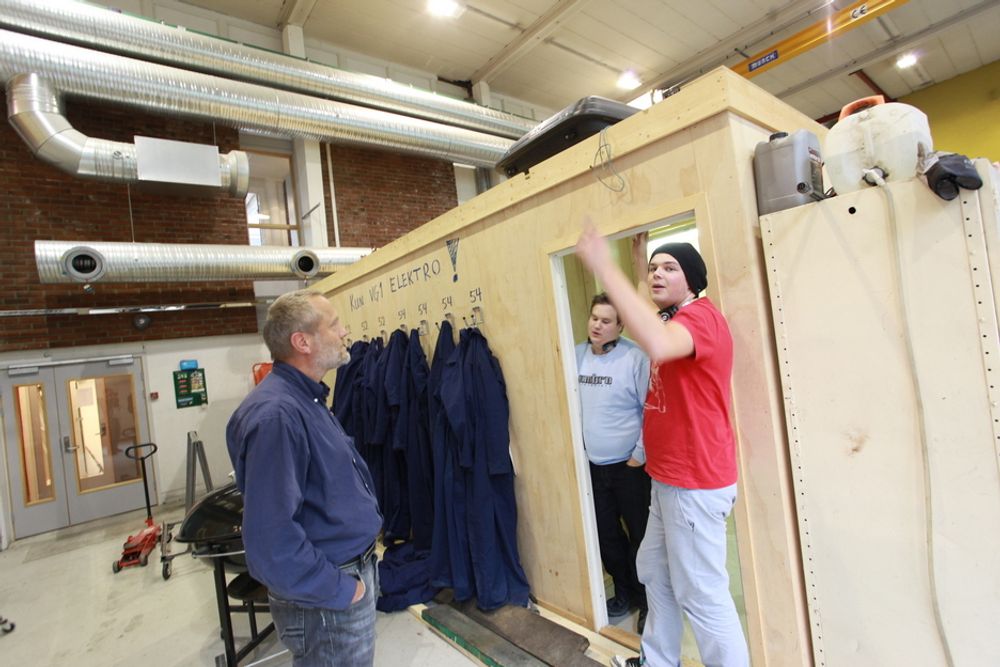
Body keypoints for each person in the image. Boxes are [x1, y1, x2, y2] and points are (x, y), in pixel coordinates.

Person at [575, 226, 749, 667]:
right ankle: (657, 661)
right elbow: (647, 314)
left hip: (693, 483)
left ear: (691, 279)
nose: (657, 274)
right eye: (654, 268)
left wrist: (603, 265)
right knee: (655, 572)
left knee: (703, 596)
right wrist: (637, 265)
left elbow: (654, 339)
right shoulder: (674, 316)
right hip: (666, 480)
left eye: (669, 268)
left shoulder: (700, 319)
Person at [226, 289, 382, 667]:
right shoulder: (278, 417)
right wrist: (341, 590)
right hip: (327, 596)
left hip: (344, 577)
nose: (345, 332)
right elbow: (270, 539)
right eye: (334, 324)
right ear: (302, 341)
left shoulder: (304, 400)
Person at [575, 293, 651, 632]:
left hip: (629, 468)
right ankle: (625, 593)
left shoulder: (634, 357)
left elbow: (651, 409)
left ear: (620, 326)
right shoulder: (576, 356)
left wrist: (639, 456)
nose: (597, 325)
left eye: (606, 321)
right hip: (592, 467)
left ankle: (650, 602)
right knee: (607, 537)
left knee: (641, 537)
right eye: (594, 318)